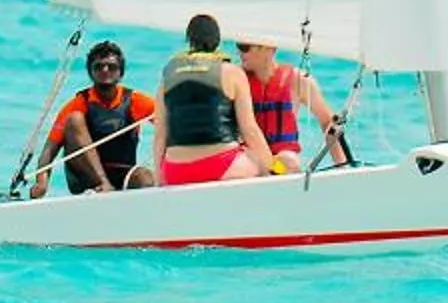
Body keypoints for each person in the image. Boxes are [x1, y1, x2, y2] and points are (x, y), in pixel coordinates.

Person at [152, 13, 274, 186]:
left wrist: (160, 178)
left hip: (176, 171)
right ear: (217, 41)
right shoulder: (232, 72)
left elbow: (160, 135)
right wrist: (271, 167)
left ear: (189, 40)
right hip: (220, 166)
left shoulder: (167, 77)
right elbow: (249, 129)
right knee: (258, 161)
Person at [27, 40, 155, 197]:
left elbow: (169, 125)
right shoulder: (76, 105)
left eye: (111, 67)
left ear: (121, 73)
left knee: (146, 178)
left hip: (122, 174)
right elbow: (49, 151)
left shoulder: (137, 101)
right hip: (85, 180)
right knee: (74, 120)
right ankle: (103, 184)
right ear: (90, 72)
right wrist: (41, 183)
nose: (105, 70)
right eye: (98, 66)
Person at [236, 39, 351, 172]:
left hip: (279, 164)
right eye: (238, 46)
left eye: (244, 47)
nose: (239, 53)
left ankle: (277, 173)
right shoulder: (235, 79)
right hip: (251, 158)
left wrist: (342, 166)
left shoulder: (298, 81)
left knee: (288, 162)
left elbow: (328, 123)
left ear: (269, 48)